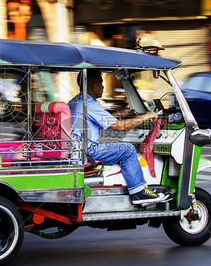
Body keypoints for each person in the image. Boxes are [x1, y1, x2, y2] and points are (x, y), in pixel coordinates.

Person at [68, 69, 167, 205]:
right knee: (127, 149)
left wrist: (121, 114)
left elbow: (102, 120)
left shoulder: (76, 101)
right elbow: (120, 127)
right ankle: (139, 193)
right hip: (88, 151)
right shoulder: (89, 104)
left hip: (74, 150)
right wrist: (146, 116)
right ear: (93, 86)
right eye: (101, 84)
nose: (103, 87)